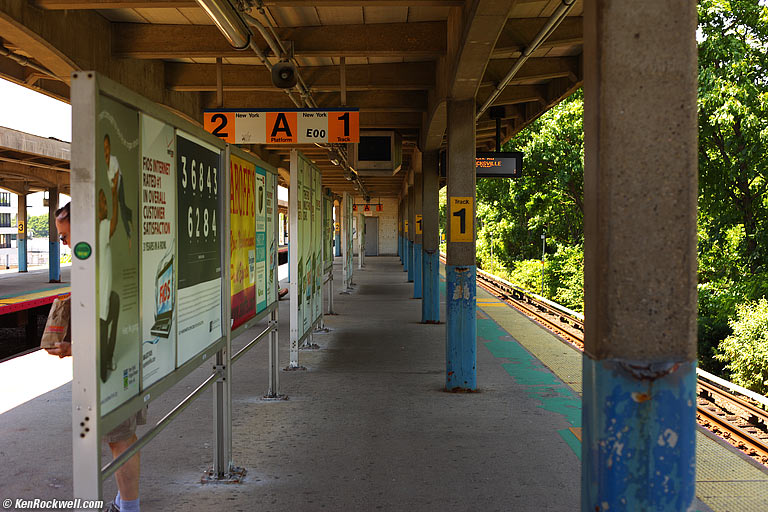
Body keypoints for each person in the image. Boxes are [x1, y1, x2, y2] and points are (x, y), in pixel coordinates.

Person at [46, 202, 144, 512]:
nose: (64, 243)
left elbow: (109, 325)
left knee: (119, 439)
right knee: (122, 436)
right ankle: (123, 501)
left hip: (114, 365)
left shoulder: (99, 261)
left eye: (65, 236)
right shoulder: (109, 252)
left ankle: (129, 508)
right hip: (124, 358)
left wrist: (72, 348)